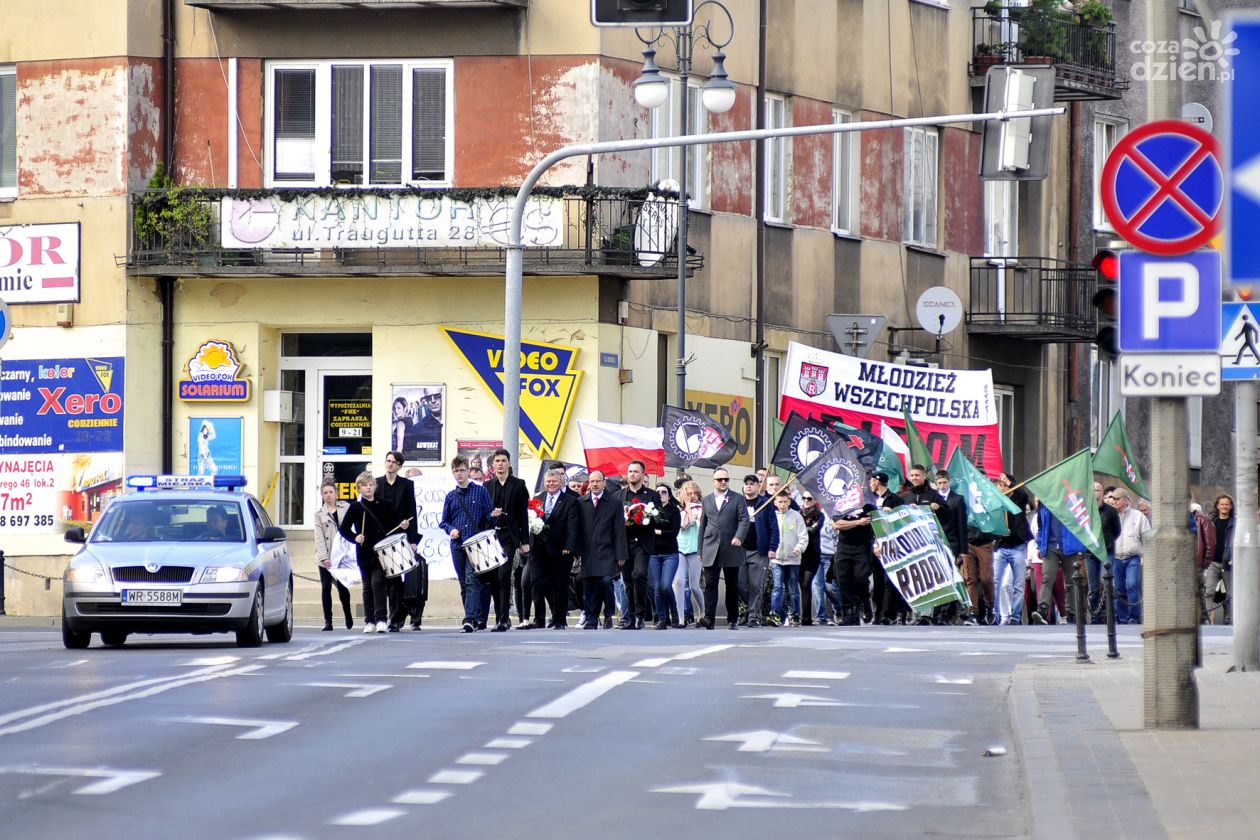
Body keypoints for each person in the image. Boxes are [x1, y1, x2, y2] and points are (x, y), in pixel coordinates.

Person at [439, 455, 496, 633]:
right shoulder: (451, 496)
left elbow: (488, 516)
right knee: (464, 583)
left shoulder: (480, 492)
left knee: (472, 581)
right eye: (456, 471)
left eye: (462, 470)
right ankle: (475, 615)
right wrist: (450, 530)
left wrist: (493, 516)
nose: (459, 474)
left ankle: (469, 619)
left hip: (475, 544)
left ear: (468, 471)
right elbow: (444, 521)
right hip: (457, 544)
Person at [525, 467, 581, 628]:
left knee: (559, 586)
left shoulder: (570, 501)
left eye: (554, 481)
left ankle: (559, 620)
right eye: (548, 482)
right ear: (544, 483)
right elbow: (529, 521)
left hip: (560, 550)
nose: (551, 484)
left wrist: (569, 546)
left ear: (561, 482)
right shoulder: (538, 499)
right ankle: (539, 619)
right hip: (538, 549)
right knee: (536, 583)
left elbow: (573, 526)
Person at [338, 472, 392, 634]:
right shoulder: (355, 507)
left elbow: (392, 525)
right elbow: (343, 529)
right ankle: (369, 621)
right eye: (364, 485)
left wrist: (401, 525)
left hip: (381, 552)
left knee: (378, 584)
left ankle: (381, 619)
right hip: (363, 552)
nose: (368, 487)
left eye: (370, 485)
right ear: (359, 488)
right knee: (367, 586)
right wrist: (355, 537)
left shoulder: (384, 504)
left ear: (375, 487)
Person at [698, 468, 749, 629]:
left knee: (732, 586)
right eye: (720, 479)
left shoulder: (738, 498)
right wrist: (700, 549)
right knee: (710, 584)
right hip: (711, 546)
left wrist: (739, 537)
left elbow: (744, 520)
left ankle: (733, 618)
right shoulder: (706, 500)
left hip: (731, 547)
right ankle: (709, 618)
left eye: (726, 479)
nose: (723, 482)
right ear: (714, 481)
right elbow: (703, 525)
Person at [486, 448, 530, 632]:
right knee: (495, 578)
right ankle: (499, 616)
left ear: (509, 463)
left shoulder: (519, 485)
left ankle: (504, 618)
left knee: (504, 574)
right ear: (493, 464)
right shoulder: (487, 486)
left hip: (509, 537)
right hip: (492, 537)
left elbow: (523, 515)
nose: (501, 464)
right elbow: (483, 514)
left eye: (504, 460)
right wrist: (490, 514)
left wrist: (524, 540)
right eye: (498, 461)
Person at [576, 470, 626, 629]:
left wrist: (621, 554)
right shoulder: (581, 502)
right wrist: (575, 551)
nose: (595, 484)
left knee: (605, 582)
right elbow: (576, 529)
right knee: (589, 586)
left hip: (607, 551)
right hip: (588, 552)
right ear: (589, 484)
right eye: (592, 481)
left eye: (598, 481)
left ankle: (609, 614)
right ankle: (591, 618)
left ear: (604, 482)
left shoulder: (614, 503)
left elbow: (619, 530)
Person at [376, 452, 418, 632]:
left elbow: (412, 512)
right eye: (388, 461)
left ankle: (399, 616)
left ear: (400, 466)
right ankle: (389, 618)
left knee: (400, 579)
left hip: (401, 537)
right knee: (387, 580)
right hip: (382, 538)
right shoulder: (376, 483)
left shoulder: (407, 485)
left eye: (393, 462)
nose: (389, 465)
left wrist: (413, 538)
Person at [312, 479, 354, 631]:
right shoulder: (319, 514)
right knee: (325, 588)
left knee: (343, 587)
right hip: (326, 557)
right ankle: (328, 621)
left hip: (342, 556)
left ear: (336, 493)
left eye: (330, 492)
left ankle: (348, 616)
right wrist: (324, 558)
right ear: (322, 495)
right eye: (325, 493)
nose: (328, 495)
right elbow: (319, 537)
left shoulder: (346, 507)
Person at [620, 460, 657, 629]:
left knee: (639, 574)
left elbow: (658, 518)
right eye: (630, 471)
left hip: (642, 542)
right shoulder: (619, 496)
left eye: (635, 471)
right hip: (625, 543)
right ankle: (631, 616)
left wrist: (644, 518)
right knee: (627, 580)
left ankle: (640, 615)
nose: (632, 474)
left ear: (643, 475)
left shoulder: (651, 495)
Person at [869, 472, 909, 623]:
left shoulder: (896, 500)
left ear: (877, 482)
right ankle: (878, 613)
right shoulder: (870, 500)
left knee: (890, 581)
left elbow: (900, 524)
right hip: (873, 546)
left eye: (872, 481)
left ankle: (889, 613)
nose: (870, 484)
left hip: (891, 545)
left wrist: (890, 514)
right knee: (877, 582)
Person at [930, 469, 968, 625]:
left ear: (949, 482)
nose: (942, 486)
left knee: (951, 579)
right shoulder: (934, 499)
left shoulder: (958, 499)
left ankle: (947, 614)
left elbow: (961, 525)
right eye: (939, 483)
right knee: (939, 579)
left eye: (945, 482)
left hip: (952, 543)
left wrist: (962, 551)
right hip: (936, 544)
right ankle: (938, 613)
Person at [994, 472, 1032, 625]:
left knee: (1017, 584)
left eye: (1002, 487)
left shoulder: (1018, 500)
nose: (1000, 490)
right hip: (1000, 548)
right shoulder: (995, 504)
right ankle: (995, 614)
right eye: (997, 488)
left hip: (1017, 547)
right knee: (996, 583)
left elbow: (1022, 493)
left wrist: (1010, 482)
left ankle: (1015, 617)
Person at [1112, 488, 1152, 624]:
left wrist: (1147, 557)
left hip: (1133, 556)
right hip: (1115, 556)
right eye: (1113, 499)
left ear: (1126, 500)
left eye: (1117, 499)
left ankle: (1134, 616)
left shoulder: (1138, 516)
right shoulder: (1110, 515)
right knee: (1118, 588)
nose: (1114, 501)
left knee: (1132, 584)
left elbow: (1147, 537)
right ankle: (1122, 618)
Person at [768, 491, 808, 626]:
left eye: (785, 501)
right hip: (777, 558)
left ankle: (795, 613)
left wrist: (799, 548)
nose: (783, 504)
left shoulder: (796, 516)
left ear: (789, 502)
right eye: (780, 501)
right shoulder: (772, 516)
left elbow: (803, 536)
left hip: (793, 558)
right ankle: (775, 613)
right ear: (775, 503)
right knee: (778, 587)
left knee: (793, 588)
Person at [648, 484, 682, 629]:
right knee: (656, 587)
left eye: (664, 492)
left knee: (666, 586)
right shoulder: (649, 510)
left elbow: (674, 532)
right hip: (654, 554)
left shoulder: (674, 510)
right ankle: (662, 618)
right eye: (658, 492)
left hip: (670, 553)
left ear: (669, 495)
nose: (661, 494)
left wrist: (658, 532)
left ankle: (674, 614)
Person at [672, 479, 704, 627]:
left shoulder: (700, 508)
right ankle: (680, 617)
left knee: (694, 586)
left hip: (695, 550)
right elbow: (681, 524)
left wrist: (689, 507)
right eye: (688, 494)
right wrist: (685, 506)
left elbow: (690, 521)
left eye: (694, 493)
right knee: (678, 582)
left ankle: (702, 612)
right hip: (680, 548)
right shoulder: (677, 509)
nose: (691, 496)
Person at [1203, 494, 1234, 624]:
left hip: (1229, 563)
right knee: (1209, 591)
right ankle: (1209, 618)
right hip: (1213, 562)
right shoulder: (1211, 521)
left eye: (1227, 504)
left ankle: (1230, 619)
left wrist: (1234, 558)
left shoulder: (1235, 523)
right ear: (1217, 506)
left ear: (1231, 506)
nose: (1224, 507)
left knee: (1230, 594)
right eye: (1222, 504)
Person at [1094, 483, 1122, 624]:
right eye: (1092, 490)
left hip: (1107, 550)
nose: (1095, 493)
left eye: (1098, 490)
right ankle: (1095, 618)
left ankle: (1112, 615)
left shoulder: (1110, 511)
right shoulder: (1086, 510)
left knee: (1106, 582)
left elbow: (1117, 531)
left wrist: (1108, 542)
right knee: (1093, 587)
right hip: (1090, 552)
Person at [797, 492, 823, 625]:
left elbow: (814, 530)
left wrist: (802, 529)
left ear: (814, 500)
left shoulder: (819, 514)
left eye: (809, 498)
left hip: (812, 554)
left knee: (806, 584)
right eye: (804, 498)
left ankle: (806, 617)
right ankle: (798, 615)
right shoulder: (797, 513)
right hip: (798, 553)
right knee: (798, 585)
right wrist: (806, 529)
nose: (806, 501)